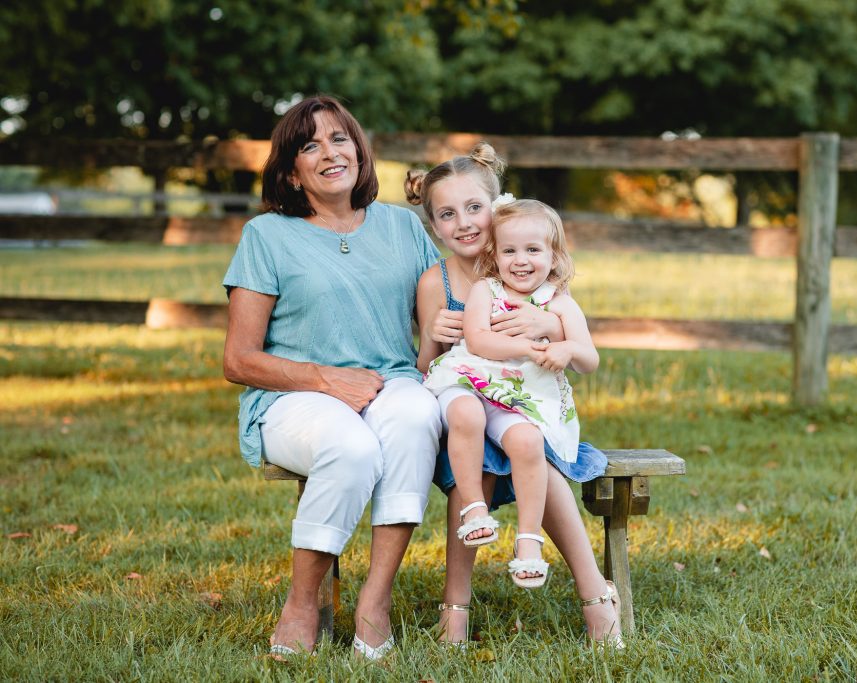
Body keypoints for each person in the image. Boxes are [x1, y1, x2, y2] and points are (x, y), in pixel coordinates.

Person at [221, 95, 442, 660]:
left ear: (360, 152)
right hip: (292, 396)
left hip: (389, 384)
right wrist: (326, 379)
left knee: (417, 413)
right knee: (350, 445)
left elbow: (437, 324)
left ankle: (375, 601)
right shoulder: (266, 236)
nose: (328, 153)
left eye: (339, 138)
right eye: (309, 145)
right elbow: (239, 360)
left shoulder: (402, 227)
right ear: (292, 174)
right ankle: (302, 602)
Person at [406, 147, 622, 647]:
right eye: (447, 214)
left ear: (497, 207)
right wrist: (435, 335)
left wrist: (550, 326)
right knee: (477, 454)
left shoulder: (531, 276)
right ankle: (455, 607)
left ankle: (593, 593)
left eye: (475, 208)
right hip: (463, 414)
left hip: (525, 407)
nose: (465, 223)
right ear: (435, 225)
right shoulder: (434, 283)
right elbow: (425, 369)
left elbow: (576, 341)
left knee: (532, 455)